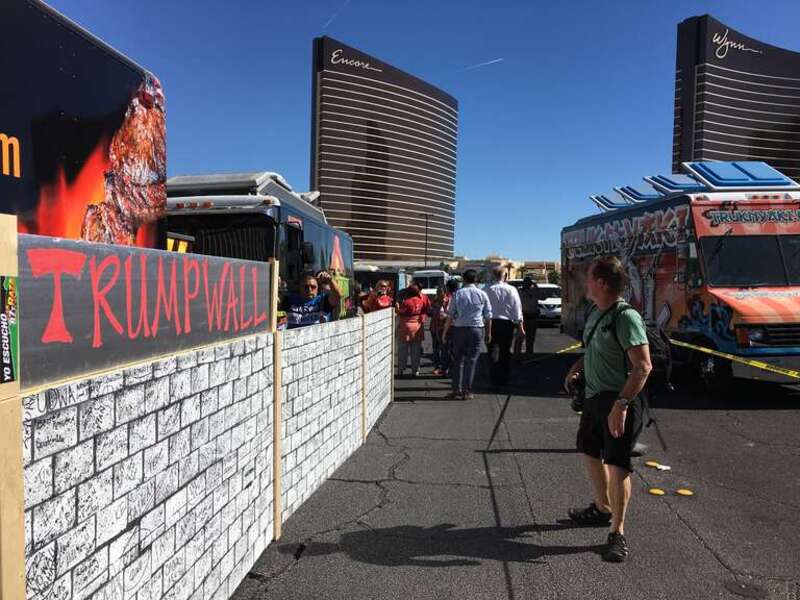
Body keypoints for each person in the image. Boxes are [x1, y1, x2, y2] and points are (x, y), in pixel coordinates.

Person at [563, 256, 652, 563]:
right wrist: (577, 366)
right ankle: (602, 508)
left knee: (617, 464)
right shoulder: (595, 312)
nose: (585, 283)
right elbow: (592, 349)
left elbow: (642, 367)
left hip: (620, 400)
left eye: (589, 278)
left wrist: (622, 405)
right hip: (594, 398)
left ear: (602, 283)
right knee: (588, 449)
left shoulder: (626, 317)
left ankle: (618, 532)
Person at [441, 270, 492, 400]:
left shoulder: (458, 294)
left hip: (459, 329)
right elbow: (488, 316)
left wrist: (445, 332)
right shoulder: (482, 294)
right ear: (476, 280)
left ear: (463, 279)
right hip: (476, 329)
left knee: (458, 361)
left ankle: (456, 389)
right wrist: (489, 333)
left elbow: (450, 315)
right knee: (472, 361)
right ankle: (467, 391)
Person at [484, 267, 524, 387]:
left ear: (493, 275)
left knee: (492, 351)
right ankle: (504, 379)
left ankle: (494, 380)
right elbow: (517, 309)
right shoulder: (511, 290)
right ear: (505, 276)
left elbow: (483, 309)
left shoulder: (486, 289)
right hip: (507, 324)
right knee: (505, 351)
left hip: (491, 323)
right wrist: (520, 327)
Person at [395, 281, 431, 377]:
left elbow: (399, 312)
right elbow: (428, 309)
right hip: (418, 326)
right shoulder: (423, 298)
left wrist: (398, 307)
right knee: (416, 351)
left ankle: (400, 370)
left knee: (403, 350)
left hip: (404, 326)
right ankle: (415, 370)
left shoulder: (405, 300)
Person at [515, 277, 540, 359]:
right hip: (523, 318)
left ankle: (529, 354)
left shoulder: (534, 292)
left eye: (529, 283)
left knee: (530, 338)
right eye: (527, 283)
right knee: (520, 338)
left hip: (532, 317)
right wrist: (533, 284)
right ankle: (517, 355)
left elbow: (539, 291)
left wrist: (533, 285)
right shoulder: (520, 292)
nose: (528, 284)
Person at [429, 286, 449, 376]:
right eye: (437, 291)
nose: (437, 293)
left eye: (439, 291)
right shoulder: (434, 301)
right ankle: (437, 367)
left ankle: (445, 368)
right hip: (434, 327)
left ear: (445, 292)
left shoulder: (449, 301)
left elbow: (451, 314)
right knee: (435, 349)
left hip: (444, 329)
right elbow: (430, 312)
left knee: (444, 349)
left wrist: (445, 316)